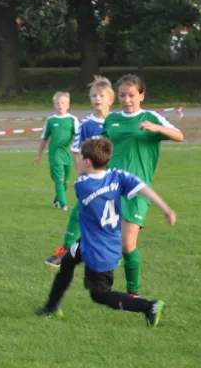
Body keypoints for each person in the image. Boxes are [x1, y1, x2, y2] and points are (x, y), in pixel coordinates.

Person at [35, 138, 176, 327]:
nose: (76, 160)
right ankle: (52, 306)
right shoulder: (118, 176)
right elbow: (143, 188)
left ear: (87, 162)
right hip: (95, 240)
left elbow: (87, 179)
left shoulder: (83, 185)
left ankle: (148, 306)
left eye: (79, 157)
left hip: (98, 247)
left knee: (100, 294)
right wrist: (166, 209)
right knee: (67, 261)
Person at [103, 74, 185, 297]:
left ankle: (133, 293)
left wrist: (156, 129)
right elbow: (102, 149)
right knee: (107, 241)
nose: (127, 100)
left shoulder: (151, 117)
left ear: (141, 95)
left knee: (128, 245)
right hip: (110, 188)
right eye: (122, 95)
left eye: (131, 95)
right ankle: (108, 285)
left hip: (138, 190)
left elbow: (180, 136)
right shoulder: (111, 120)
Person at [44, 76, 114, 267]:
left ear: (110, 99)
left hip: (115, 180)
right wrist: (83, 176)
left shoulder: (117, 122)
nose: (97, 99)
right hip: (93, 178)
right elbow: (76, 151)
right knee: (79, 213)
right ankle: (65, 251)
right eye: (93, 95)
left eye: (101, 95)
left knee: (109, 220)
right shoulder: (86, 124)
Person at [32, 92, 79, 211]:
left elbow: (78, 136)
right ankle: (64, 204)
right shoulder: (51, 120)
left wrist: (74, 146)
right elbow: (44, 138)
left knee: (66, 181)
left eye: (63, 103)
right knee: (59, 178)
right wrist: (39, 155)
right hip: (55, 154)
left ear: (68, 105)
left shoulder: (72, 119)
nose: (60, 105)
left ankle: (56, 200)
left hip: (67, 154)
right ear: (54, 105)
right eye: (57, 103)